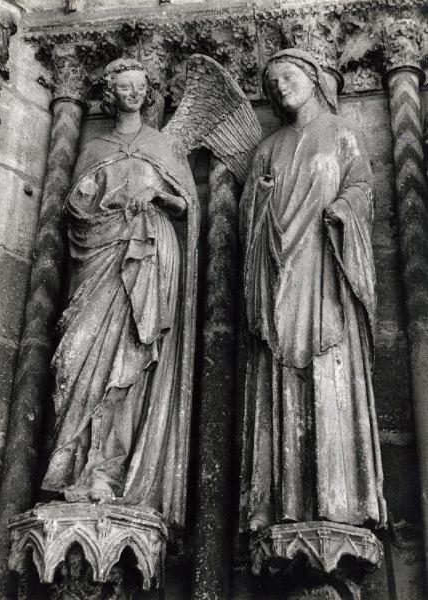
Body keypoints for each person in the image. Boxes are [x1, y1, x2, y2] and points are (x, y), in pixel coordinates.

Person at [41, 58, 199, 528]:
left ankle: (109, 472)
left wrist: (156, 199)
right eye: (122, 87)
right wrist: (90, 198)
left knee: (129, 362)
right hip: (99, 262)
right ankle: (71, 465)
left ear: (148, 93)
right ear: (110, 95)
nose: (131, 93)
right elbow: (73, 212)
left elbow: (187, 206)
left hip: (148, 259)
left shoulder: (164, 145)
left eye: (138, 87)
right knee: (76, 358)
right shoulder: (93, 147)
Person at [239, 49, 387, 532]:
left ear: (312, 77)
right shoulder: (267, 148)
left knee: (330, 374)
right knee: (278, 377)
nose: (281, 87)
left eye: (288, 76)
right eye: (272, 82)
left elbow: (363, 187)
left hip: (326, 271)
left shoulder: (342, 134)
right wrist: (258, 197)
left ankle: (338, 499)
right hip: (280, 277)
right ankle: (277, 502)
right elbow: (248, 218)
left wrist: (345, 208)